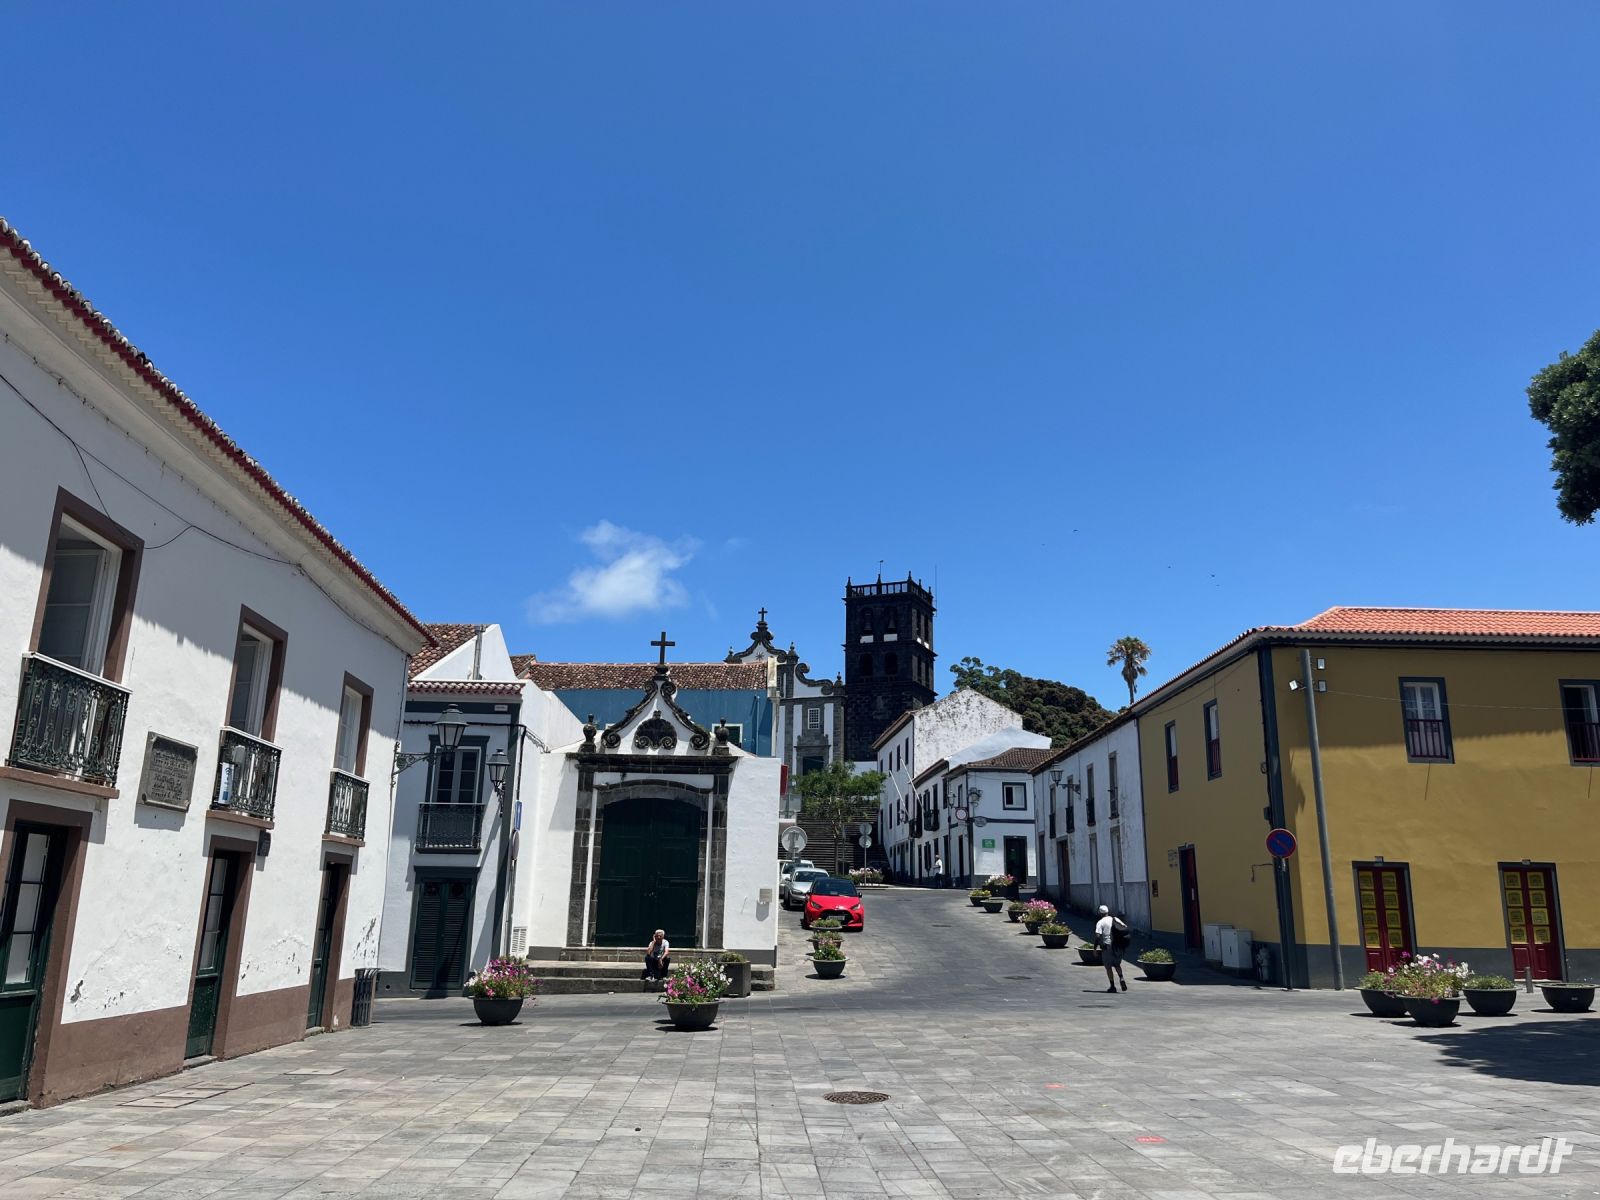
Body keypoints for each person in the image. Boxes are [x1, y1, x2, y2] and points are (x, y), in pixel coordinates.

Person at [1094, 904, 1129, 993]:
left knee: (1108, 967)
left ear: (1100, 913)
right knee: (1117, 965)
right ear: (1108, 912)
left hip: (1107, 946)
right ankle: (1121, 978)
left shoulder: (1100, 922)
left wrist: (1095, 948)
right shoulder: (1114, 919)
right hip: (1118, 945)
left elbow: (1098, 937)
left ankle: (1112, 986)